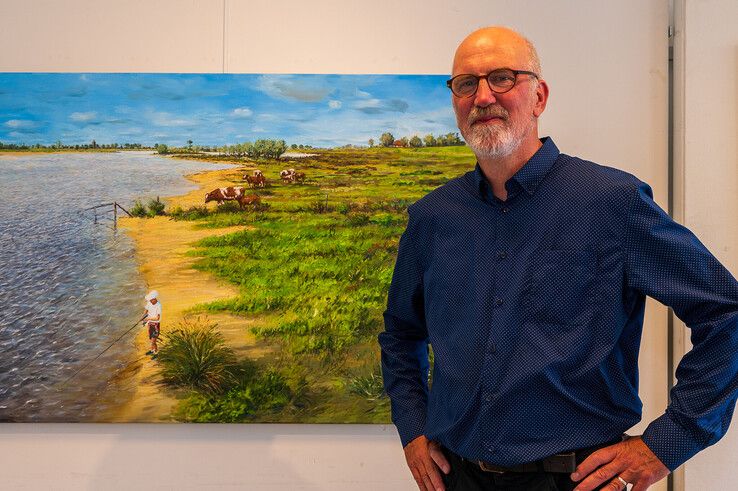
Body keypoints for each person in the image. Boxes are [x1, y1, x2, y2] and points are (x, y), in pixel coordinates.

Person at [378, 26, 738, 491]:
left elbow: (726, 311)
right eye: (466, 84)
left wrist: (668, 443)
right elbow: (401, 333)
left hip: (579, 480)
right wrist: (412, 425)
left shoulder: (612, 202)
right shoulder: (432, 218)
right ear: (454, 100)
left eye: (502, 78)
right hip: (457, 476)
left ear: (539, 96)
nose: (483, 96)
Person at [143, 290, 162, 357]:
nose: (150, 301)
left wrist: (148, 319)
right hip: (150, 324)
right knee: (151, 338)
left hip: (156, 325)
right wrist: (143, 317)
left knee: (153, 340)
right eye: (150, 300)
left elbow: (157, 318)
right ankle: (152, 350)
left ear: (154, 299)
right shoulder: (149, 303)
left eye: (151, 300)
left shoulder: (159, 305)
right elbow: (146, 309)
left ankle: (156, 353)